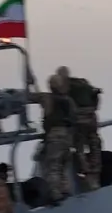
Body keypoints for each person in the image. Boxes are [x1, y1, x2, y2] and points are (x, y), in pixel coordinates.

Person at [28, 74, 77, 204]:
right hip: (68, 137)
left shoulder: (47, 98)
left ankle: (55, 194)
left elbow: (31, 97)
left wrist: (30, 84)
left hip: (55, 136)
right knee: (63, 166)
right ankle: (65, 190)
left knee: (53, 166)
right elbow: (74, 119)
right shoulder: (69, 101)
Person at [58, 65, 103, 191]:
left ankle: (87, 172)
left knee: (79, 148)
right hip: (91, 117)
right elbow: (95, 95)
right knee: (95, 144)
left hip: (78, 120)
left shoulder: (65, 87)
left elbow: (64, 105)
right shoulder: (82, 83)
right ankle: (95, 173)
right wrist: (93, 109)